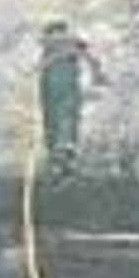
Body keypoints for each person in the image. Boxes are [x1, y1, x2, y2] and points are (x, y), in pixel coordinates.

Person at [37, 19, 106, 180]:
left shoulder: (53, 44)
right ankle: (61, 161)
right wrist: (98, 74)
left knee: (57, 121)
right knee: (64, 120)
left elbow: (86, 56)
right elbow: (90, 57)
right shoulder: (71, 42)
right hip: (60, 88)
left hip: (55, 88)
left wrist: (97, 73)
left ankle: (59, 161)